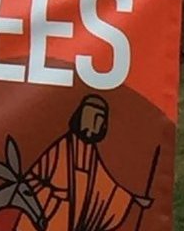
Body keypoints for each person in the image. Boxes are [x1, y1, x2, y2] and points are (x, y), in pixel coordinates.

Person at [24, 95, 152, 231]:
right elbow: (30, 179)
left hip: (74, 219)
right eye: (89, 117)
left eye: (99, 120)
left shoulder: (91, 153)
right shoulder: (61, 148)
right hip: (51, 215)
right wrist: (53, 195)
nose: (93, 124)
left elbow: (106, 185)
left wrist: (132, 199)